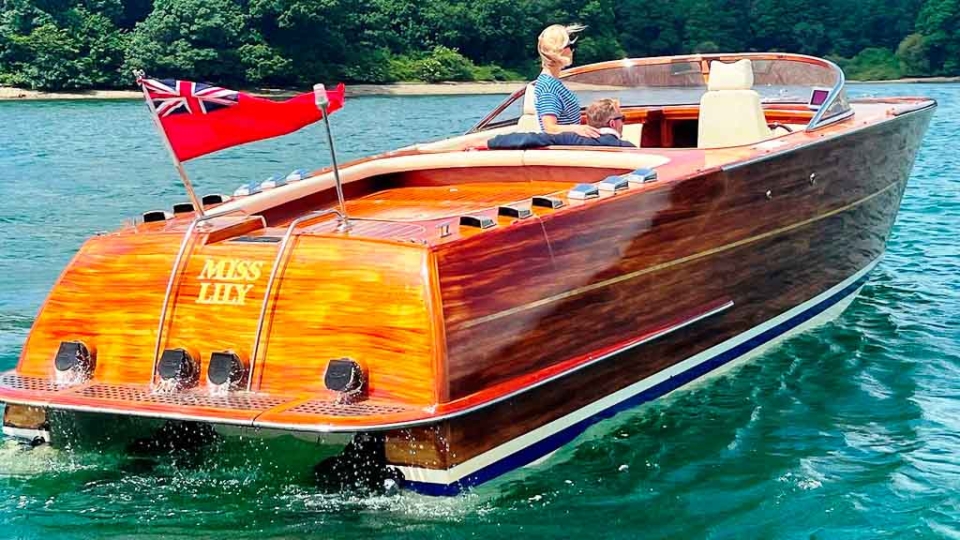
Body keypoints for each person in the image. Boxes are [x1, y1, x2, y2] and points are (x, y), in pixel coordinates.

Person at [488, 99, 636, 149]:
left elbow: (529, 138)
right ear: (612, 123)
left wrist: (487, 142)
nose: (623, 122)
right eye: (622, 118)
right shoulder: (628, 148)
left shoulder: (568, 139)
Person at [535, 24, 600, 138]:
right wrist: (578, 128)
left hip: (568, 141)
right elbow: (550, 128)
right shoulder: (548, 87)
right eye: (570, 46)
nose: (572, 50)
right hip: (563, 144)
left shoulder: (552, 82)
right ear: (559, 50)